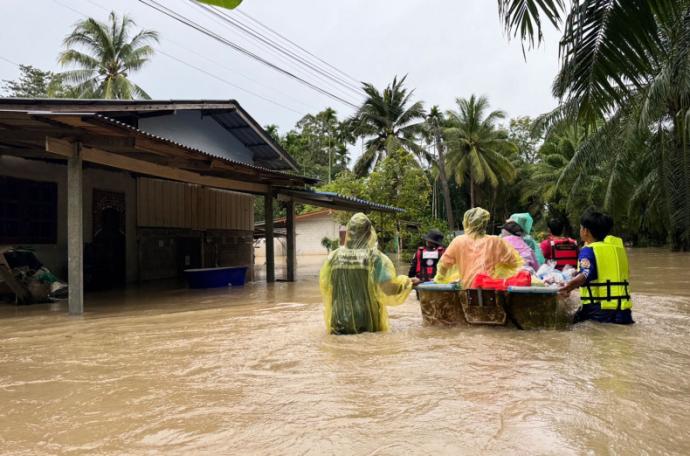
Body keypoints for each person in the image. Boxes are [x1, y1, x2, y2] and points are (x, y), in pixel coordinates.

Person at [319, 213, 413, 335]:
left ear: (349, 233)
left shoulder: (333, 257)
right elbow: (388, 289)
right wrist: (408, 283)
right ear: (369, 234)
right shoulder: (375, 258)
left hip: (338, 320)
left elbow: (326, 287)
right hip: (366, 320)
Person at [559, 209, 634, 324]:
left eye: (580, 228)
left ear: (586, 231)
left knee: (567, 325)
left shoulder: (588, 250)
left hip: (598, 312)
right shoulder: (617, 250)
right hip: (624, 312)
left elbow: (585, 274)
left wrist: (566, 288)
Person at [435, 207, 523, 288]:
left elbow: (443, 265)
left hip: (468, 291)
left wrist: (439, 280)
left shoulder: (458, 241)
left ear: (467, 222)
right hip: (491, 290)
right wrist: (499, 271)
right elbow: (515, 264)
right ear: (485, 223)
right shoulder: (496, 241)